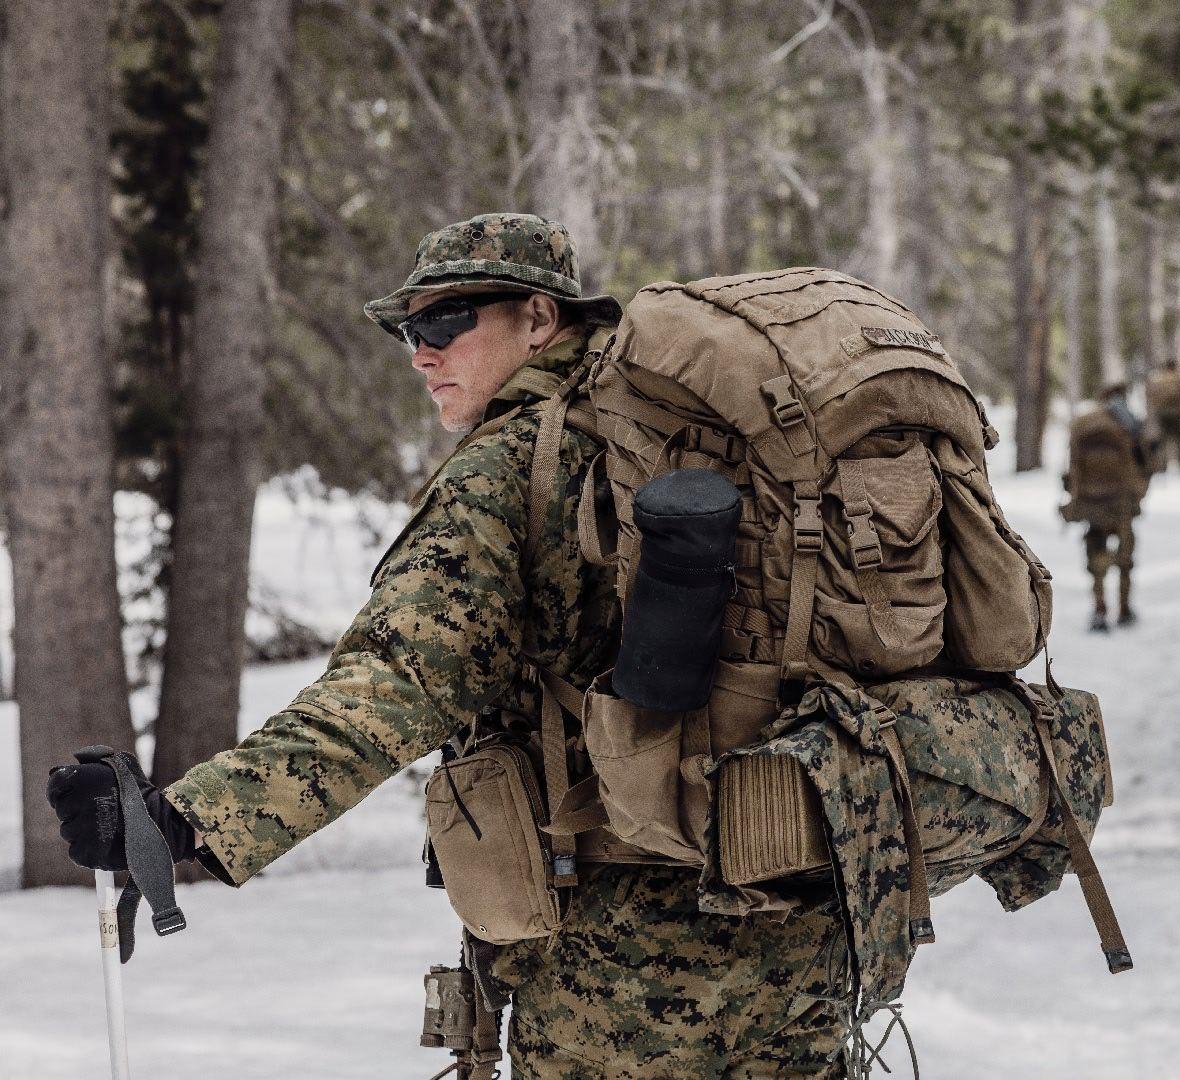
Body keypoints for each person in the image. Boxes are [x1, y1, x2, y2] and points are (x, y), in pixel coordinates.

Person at [45, 213, 851, 1077]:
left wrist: (181, 821)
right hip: (805, 927)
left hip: (624, 967)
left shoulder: (512, 464)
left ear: (540, 319)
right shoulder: (727, 441)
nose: (421, 353)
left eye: (443, 322)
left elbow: (393, 685)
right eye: (408, 330)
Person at [1061, 382, 1151, 632]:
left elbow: (1071, 465)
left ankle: (1100, 606)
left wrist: (1073, 495)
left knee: (1096, 551)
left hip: (1091, 500)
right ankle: (1124, 608)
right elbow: (1145, 463)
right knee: (1125, 555)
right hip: (1121, 499)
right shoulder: (1129, 425)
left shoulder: (1083, 422)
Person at [1144, 359, 1180, 474]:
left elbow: (1151, 394)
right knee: (1178, 438)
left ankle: (1162, 466)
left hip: (1162, 412)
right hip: (1177, 412)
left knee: (1163, 439)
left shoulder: (1158, 379)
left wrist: (1155, 408)